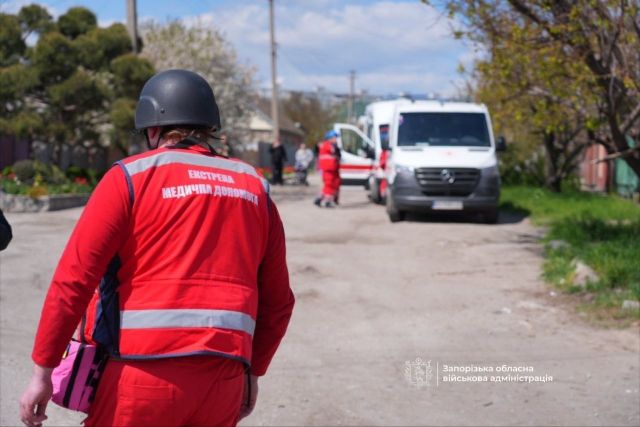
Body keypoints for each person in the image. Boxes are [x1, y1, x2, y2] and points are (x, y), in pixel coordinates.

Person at [19, 69, 295, 427]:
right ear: (209, 126)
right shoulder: (254, 187)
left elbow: (74, 281)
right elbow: (278, 302)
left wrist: (43, 371)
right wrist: (252, 373)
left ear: (153, 128)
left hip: (139, 378)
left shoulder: (130, 177)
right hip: (224, 379)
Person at [314, 130, 341, 208]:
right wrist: (335, 146)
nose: (336, 139)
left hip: (332, 168)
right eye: (335, 137)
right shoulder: (327, 145)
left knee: (331, 184)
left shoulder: (329, 145)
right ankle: (327, 201)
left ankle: (320, 199)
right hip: (328, 169)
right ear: (330, 138)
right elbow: (333, 151)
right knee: (329, 184)